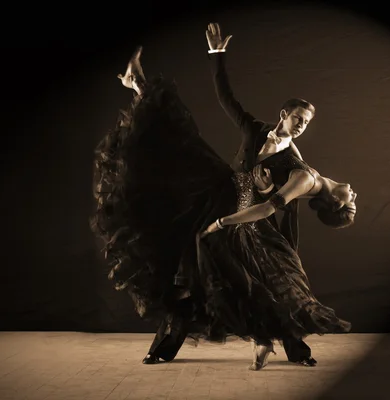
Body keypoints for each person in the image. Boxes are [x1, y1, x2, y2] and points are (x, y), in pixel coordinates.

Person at [91, 39, 355, 371]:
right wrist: (217, 56)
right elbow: (226, 98)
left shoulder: (296, 160)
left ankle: (296, 350)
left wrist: (269, 190)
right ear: (284, 115)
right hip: (214, 196)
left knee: (270, 284)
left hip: (244, 218)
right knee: (189, 274)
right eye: (298, 119)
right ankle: (163, 348)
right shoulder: (254, 128)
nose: (302, 126)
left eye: (306, 123)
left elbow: (289, 199)